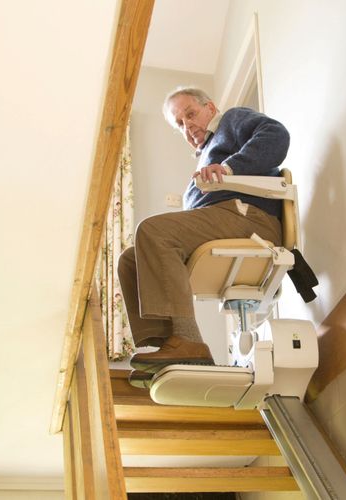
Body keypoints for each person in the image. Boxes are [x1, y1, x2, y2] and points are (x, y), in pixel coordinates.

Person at [118, 86, 290, 388]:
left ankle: (188, 342)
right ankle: (169, 342)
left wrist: (228, 167)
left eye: (190, 114)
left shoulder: (232, 121)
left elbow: (276, 135)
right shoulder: (204, 158)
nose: (188, 126)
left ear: (210, 108)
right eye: (180, 125)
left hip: (249, 219)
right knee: (131, 259)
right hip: (224, 221)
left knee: (152, 230)